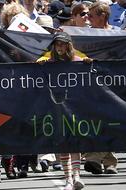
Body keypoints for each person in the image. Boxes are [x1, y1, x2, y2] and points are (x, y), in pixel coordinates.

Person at [38, 32, 89, 190]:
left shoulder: (77, 60)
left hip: (74, 107)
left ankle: (77, 176)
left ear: (69, 45)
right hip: (56, 107)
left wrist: (87, 62)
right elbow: (38, 63)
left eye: (62, 44)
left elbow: (87, 65)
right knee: (63, 145)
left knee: (74, 143)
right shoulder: (49, 60)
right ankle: (68, 179)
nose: (59, 47)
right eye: (57, 44)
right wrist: (41, 63)